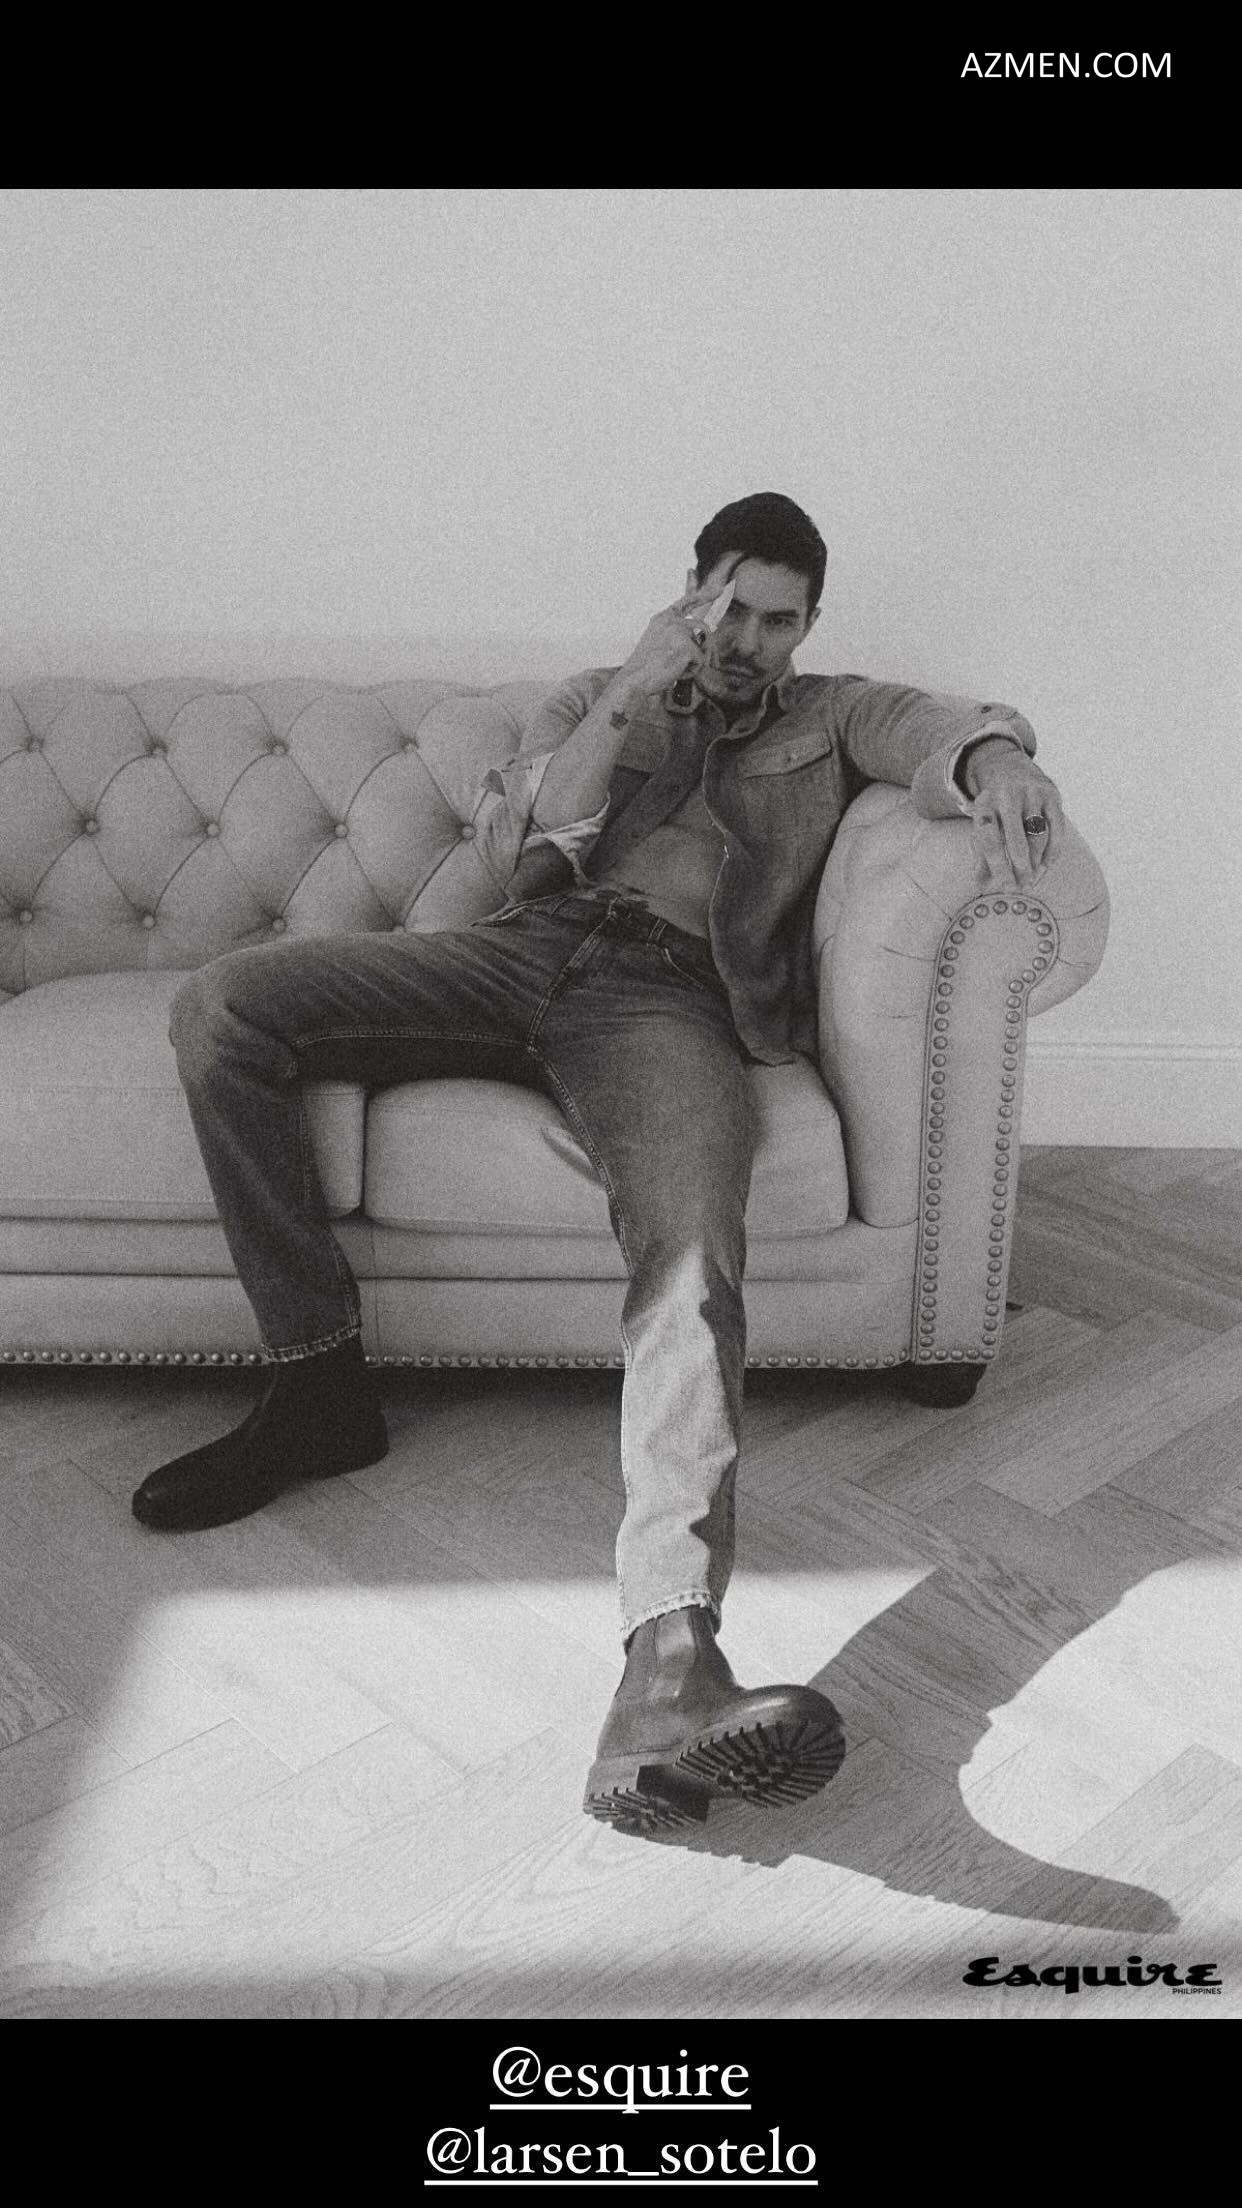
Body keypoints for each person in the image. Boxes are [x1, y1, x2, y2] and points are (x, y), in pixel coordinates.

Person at [130, 493, 1065, 1836]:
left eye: (778, 620)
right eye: (728, 608)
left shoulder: (828, 715)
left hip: (669, 1006)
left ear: (807, 626)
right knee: (224, 1007)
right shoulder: (596, 695)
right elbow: (524, 855)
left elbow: (937, 728)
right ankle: (316, 1385)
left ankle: (670, 1664)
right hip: (516, 954)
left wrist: (998, 760)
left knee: (690, 1255)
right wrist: (636, 683)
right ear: (690, 590)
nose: (747, 640)